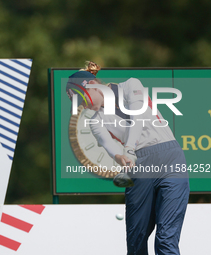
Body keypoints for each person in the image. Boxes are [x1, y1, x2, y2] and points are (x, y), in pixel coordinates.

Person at [66, 61, 190, 255]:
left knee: (166, 238)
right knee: (136, 241)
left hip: (170, 158)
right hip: (139, 166)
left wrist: (129, 148)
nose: (84, 106)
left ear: (91, 86)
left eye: (82, 99)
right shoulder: (95, 121)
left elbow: (137, 117)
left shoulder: (131, 85)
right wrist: (120, 157)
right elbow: (110, 146)